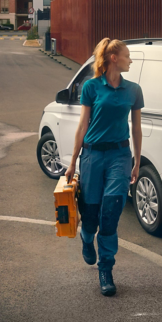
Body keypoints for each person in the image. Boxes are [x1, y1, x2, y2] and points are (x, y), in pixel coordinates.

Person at [65, 37, 144, 296]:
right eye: (127, 55)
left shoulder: (133, 90)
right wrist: (73, 161)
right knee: (90, 216)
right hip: (92, 157)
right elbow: (82, 126)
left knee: (110, 214)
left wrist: (137, 160)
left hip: (120, 156)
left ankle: (106, 269)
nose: (130, 60)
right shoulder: (91, 87)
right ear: (113, 58)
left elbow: (137, 127)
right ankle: (86, 239)